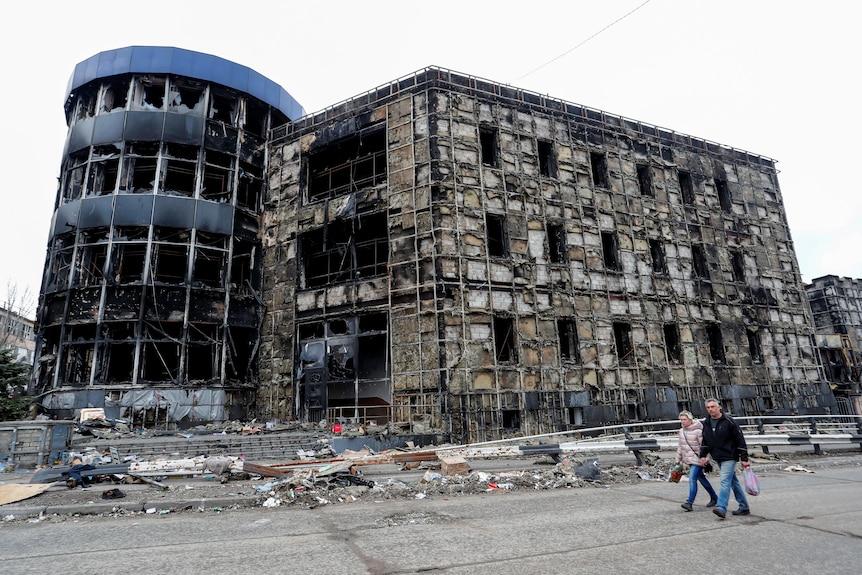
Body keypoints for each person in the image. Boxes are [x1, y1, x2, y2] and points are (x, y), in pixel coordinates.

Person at [698, 398, 751, 519]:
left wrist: (744, 458)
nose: (710, 409)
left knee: (724, 481)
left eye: (712, 406)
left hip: (730, 455)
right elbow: (705, 441)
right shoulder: (706, 423)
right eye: (708, 407)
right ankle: (744, 506)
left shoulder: (729, 421)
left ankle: (721, 507)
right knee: (733, 482)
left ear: (719, 407)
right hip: (718, 456)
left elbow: (740, 440)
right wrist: (703, 455)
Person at [675, 410, 717, 511]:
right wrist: (677, 459)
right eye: (681, 420)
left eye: (684, 420)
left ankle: (689, 503)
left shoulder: (698, 431)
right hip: (688, 459)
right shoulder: (682, 431)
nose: (683, 422)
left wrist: (706, 459)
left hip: (698, 460)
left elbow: (704, 446)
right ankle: (714, 497)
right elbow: (680, 446)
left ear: (690, 420)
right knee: (702, 479)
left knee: (692, 479)